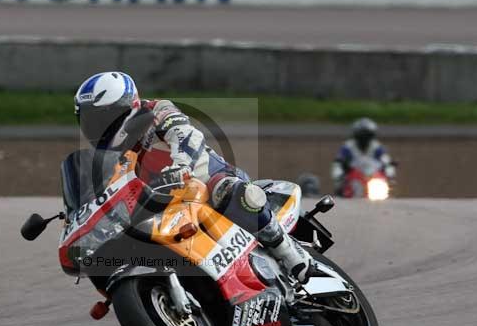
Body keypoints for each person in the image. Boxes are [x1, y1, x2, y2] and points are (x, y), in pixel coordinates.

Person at [73, 71, 317, 293]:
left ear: (128, 106)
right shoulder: (104, 160)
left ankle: (287, 251)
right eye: (88, 120)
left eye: (102, 118)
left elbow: (185, 134)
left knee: (226, 190)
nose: (96, 127)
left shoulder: (155, 111)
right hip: (161, 208)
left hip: (205, 182)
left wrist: (180, 165)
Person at [331, 118, 396, 195]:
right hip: (353, 177)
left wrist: (390, 176)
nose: (364, 139)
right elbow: (338, 162)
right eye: (361, 136)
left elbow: (386, 160)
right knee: (342, 188)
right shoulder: (348, 147)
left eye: (367, 136)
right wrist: (339, 177)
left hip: (373, 177)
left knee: (387, 190)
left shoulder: (376, 147)